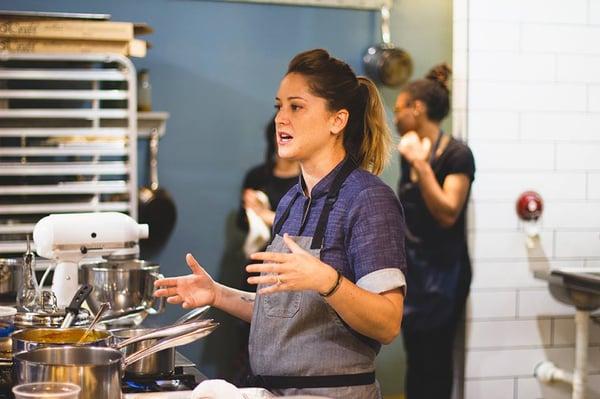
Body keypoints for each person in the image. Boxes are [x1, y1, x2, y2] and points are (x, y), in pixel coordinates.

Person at [154, 48, 406, 398]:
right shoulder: (291, 201)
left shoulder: (367, 198)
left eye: (296, 106)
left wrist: (327, 280)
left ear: (338, 120)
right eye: (279, 106)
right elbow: (284, 313)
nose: (280, 118)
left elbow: (388, 322)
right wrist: (217, 294)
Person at [394, 64, 475, 399]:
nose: (395, 118)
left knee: (436, 362)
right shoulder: (409, 155)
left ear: (418, 109)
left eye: (398, 109)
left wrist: (420, 164)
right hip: (415, 270)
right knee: (416, 360)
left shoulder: (457, 154)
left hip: (445, 274)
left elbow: (447, 213)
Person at [238, 117, 300, 265]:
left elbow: (305, 228)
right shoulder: (257, 175)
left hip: (289, 264)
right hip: (257, 260)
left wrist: (265, 214)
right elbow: (240, 221)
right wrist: (251, 211)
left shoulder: (309, 182)